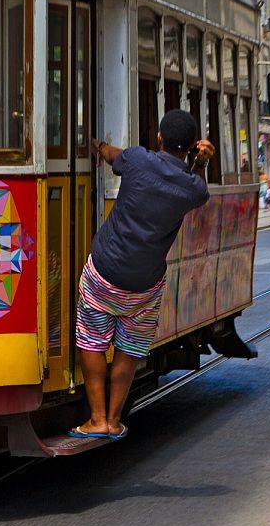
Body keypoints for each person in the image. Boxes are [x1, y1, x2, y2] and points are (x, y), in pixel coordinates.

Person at [71, 109, 214, 441]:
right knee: (130, 348)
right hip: (145, 284)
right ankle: (114, 420)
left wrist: (95, 144)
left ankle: (97, 419)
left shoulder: (136, 159)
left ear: (160, 138)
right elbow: (199, 188)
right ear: (192, 145)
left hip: (104, 270)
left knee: (91, 341)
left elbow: (110, 155)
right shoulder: (193, 187)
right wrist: (201, 163)